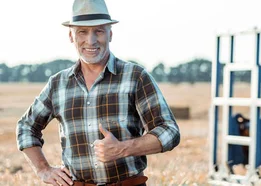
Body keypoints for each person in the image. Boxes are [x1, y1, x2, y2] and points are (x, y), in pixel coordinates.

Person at [16, 0, 180, 185]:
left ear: (111, 34)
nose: (91, 40)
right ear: (71, 36)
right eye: (82, 32)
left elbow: (170, 131)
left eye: (99, 31)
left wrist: (124, 148)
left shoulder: (135, 76)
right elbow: (26, 127)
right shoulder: (58, 84)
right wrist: (43, 170)